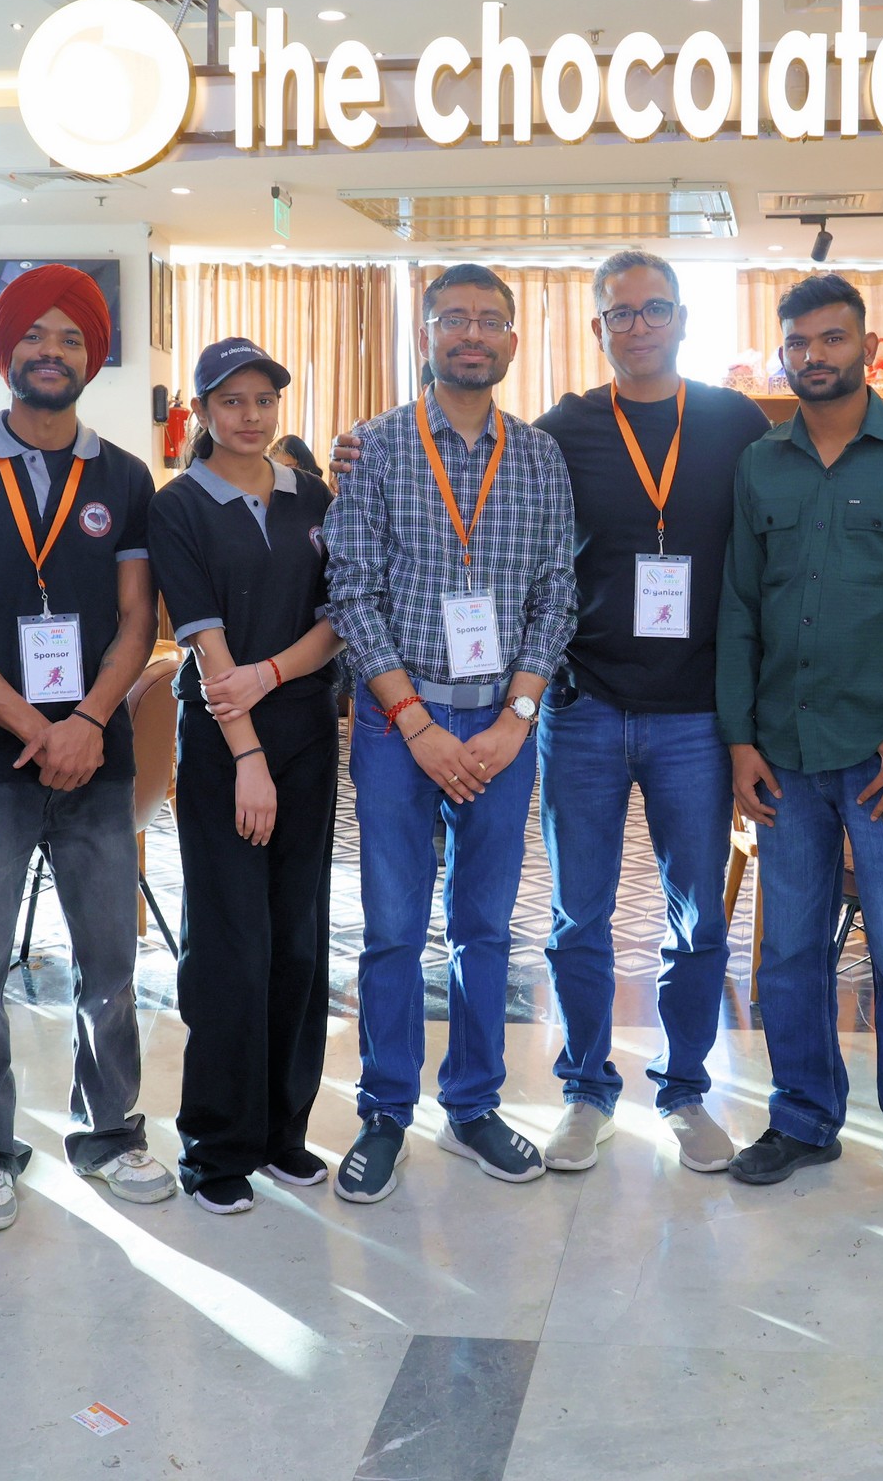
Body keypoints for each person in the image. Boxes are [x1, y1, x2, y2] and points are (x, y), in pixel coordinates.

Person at [0, 264, 169, 1233]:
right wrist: (34, 728)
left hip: (96, 760)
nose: (50, 352)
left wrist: (88, 723)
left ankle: (113, 1132)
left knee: (110, 964)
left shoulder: (125, 478)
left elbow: (138, 619)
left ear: (91, 358)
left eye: (70, 338)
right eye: (33, 335)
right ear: (1, 350)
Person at [718, 272, 883, 1230]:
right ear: (783, 353)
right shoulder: (761, 465)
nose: (815, 356)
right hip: (783, 754)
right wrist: (739, 740)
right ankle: (802, 1119)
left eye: (833, 339)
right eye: (799, 343)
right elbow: (739, 608)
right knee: (789, 953)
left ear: (867, 349)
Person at [322, 263, 578, 1202]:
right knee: (393, 928)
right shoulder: (377, 449)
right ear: (426, 334)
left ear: (512, 338)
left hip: (503, 726)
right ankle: (385, 1111)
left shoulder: (541, 458)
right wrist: (415, 721)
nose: (473, 334)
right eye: (454, 319)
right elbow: (352, 594)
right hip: (400, 724)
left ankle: (472, 1105)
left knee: (485, 927)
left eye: (490, 320)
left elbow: (558, 594)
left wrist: (517, 717)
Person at [529, 251, 771, 1173]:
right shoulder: (564, 430)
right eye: (620, 313)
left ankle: (685, 1089)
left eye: (655, 309)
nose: (638, 326)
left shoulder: (734, 422)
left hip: (696, 716)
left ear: (681, 320)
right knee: (577, 916)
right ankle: (585, 1091)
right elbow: (486, 496)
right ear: (598, 327)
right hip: (583, 705)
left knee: (697, 918)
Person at [148, 338, 346, 1214]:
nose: (251, 416)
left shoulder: (314, 497)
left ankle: (282, 1131)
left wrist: (273, 676)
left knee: (298, 939)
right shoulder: (179, 506)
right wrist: (249, 758)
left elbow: (340, 616)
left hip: (305, 732)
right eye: (232, 401)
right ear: (201, 412)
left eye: (264, 400)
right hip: (226, 747)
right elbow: (206, 644)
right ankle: (217, 1145)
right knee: (232, 945)